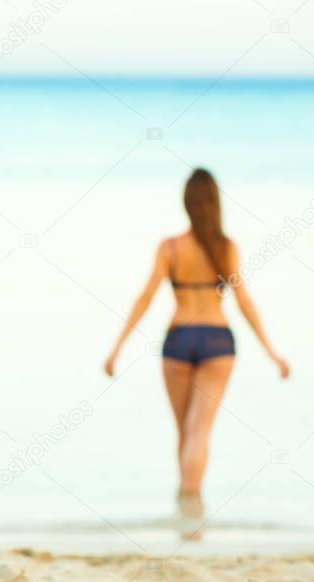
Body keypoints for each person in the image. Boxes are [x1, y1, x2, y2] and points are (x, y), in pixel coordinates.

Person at [103, 168, 290, 522]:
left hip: (179, 339)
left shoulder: (171, 247)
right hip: (217, 340)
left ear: (186, 204)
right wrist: (272, 352)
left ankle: (186, 503)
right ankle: (192, 505)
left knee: (184, 432)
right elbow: (245, 302)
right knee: (199, 432)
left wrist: (117, 348)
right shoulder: (226, 247)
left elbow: (145, 297)